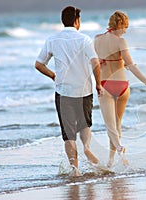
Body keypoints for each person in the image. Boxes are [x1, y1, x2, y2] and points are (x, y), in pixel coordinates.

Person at [35, 6, 103, 176]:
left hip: (63, 91)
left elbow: (38, 64)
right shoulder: (84, 39)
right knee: (85, 124)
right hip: (84, 90)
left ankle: (75, 169)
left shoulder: (52, 39)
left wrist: (53, 76)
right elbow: (95, 63)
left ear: (63, 20)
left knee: (68, 133)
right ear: (77, 21)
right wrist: (98, 84)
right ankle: (86, 148)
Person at [94, 11, 146, 167]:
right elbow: (131, 65)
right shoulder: (121, 42)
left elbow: (93, 62)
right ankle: (113, 158)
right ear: (119, 25)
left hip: (104, 84)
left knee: (110, 125)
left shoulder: (97, 40)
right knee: (117, 124)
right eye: (125, 27)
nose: (125, 31)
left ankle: (117, 150)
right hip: (122, 85)